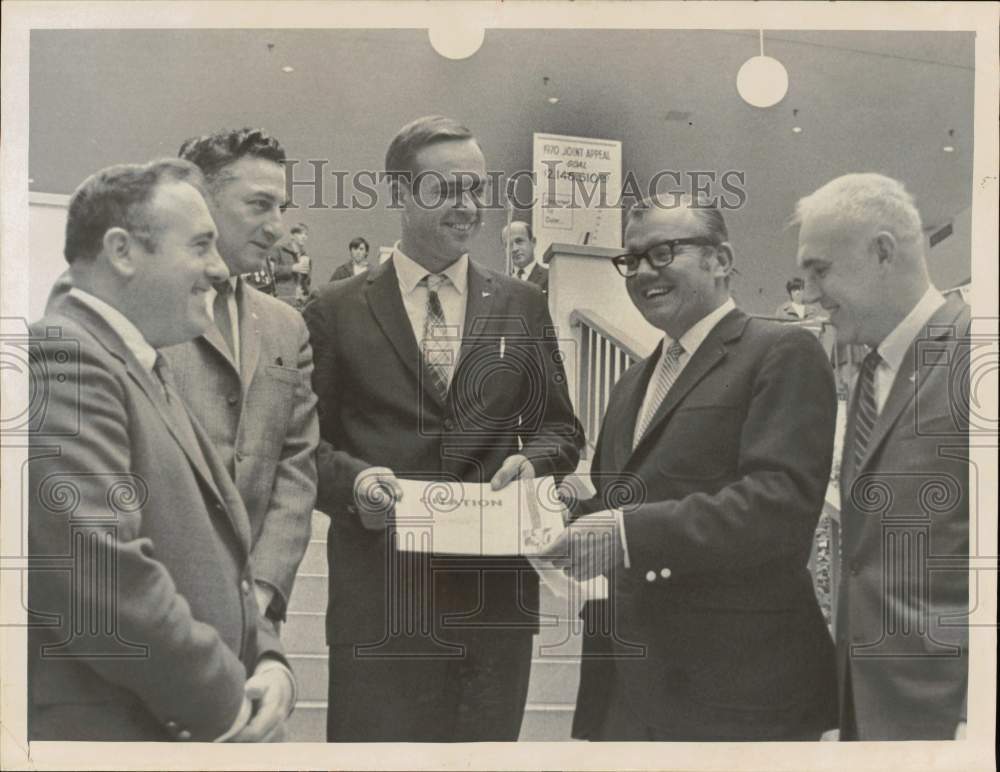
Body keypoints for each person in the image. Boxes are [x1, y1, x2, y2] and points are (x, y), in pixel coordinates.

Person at [303, 115, 583, 741]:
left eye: (477, 189)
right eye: (447, 189)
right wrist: (357, 485)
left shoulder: (522, 304)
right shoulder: (335, 309)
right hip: (381, 592)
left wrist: (534, 463)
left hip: (493, 599)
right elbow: (304, 450)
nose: (468, 206)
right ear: (401, 193)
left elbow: (561, 430)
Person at [542, 194, 838, 741]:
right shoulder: (633, 381)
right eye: (630, 259)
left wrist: (628, 534)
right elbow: (618, 505)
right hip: (630, 691)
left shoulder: (782, 351)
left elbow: (780, 504)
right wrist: (553, 503)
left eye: (662, 253)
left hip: (738, 691)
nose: (641, 273)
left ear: (720, 259)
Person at [28, 159, 290, 741]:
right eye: (201, 246)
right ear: (122, 251)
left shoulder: (142, 365)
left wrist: (268, 659)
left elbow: (222, 559)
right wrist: (230, 704)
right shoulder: (64, 359)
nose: (220, 270)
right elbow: (101, 581)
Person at [794, 173, 969, 741]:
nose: (810, 293)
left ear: (883, 252)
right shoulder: (866, 375)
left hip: (948, 718)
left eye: (820, 270)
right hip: (865, 711)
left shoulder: (976, 353)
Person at [167, 128, 320, 637]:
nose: (277, 228)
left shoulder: (286, 325)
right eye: (259, 205)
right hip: (150, 618)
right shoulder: (139, 311)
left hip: (254, 619)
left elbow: (296, 464)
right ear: (198, 201)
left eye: (282, 207)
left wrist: (265, 590)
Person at [501, 221, 548, 295]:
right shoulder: (501, 282)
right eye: (509, 244)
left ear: (533, 242)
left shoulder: (549, 277)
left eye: (519, 241)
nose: (514, 249)